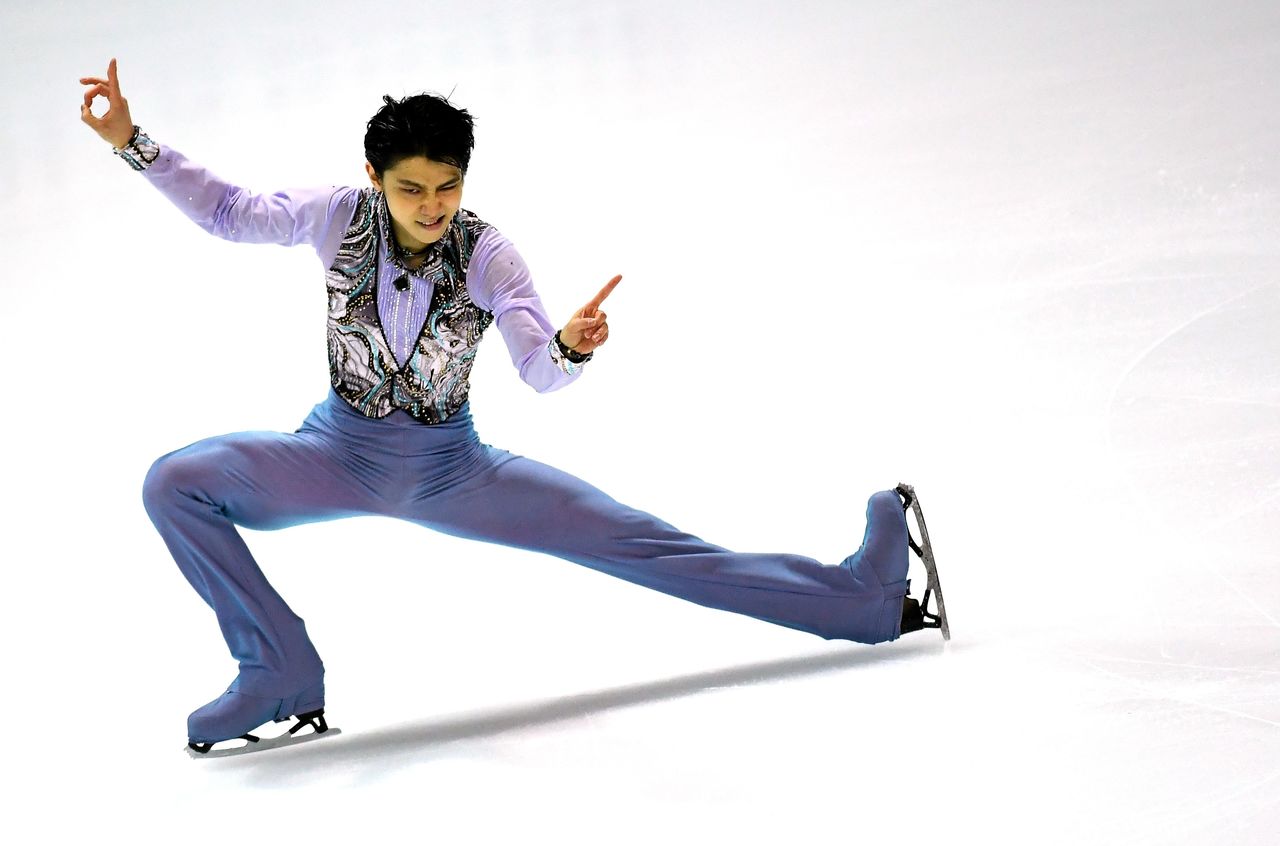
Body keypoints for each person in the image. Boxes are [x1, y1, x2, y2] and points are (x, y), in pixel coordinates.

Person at [79, 58, 948, 756]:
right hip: (332, 454)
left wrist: (570, 344)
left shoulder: (490, 255)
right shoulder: (332, 215)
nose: (430, 206)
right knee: (174, 483)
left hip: (454, 471)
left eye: (446, 187)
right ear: (375, 176)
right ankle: (277, 668)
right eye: (412, 187)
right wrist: (133, 142)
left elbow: (539, 372)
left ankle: (862, 602)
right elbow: (231, 213)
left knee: (646, 544)